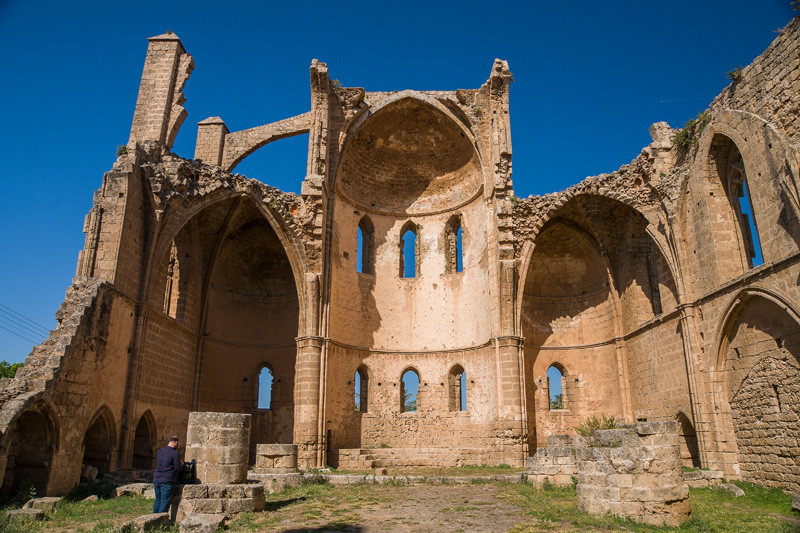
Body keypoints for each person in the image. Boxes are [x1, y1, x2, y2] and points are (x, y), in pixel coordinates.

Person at [152, 436, 181, 514]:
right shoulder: (174, 453)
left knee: (158, 500)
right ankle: (160, 521)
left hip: (157, 479)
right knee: (164, 501)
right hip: (167, 480)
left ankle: (153, 519)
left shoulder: (160, 451)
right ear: (176, 443)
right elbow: (178, 467)